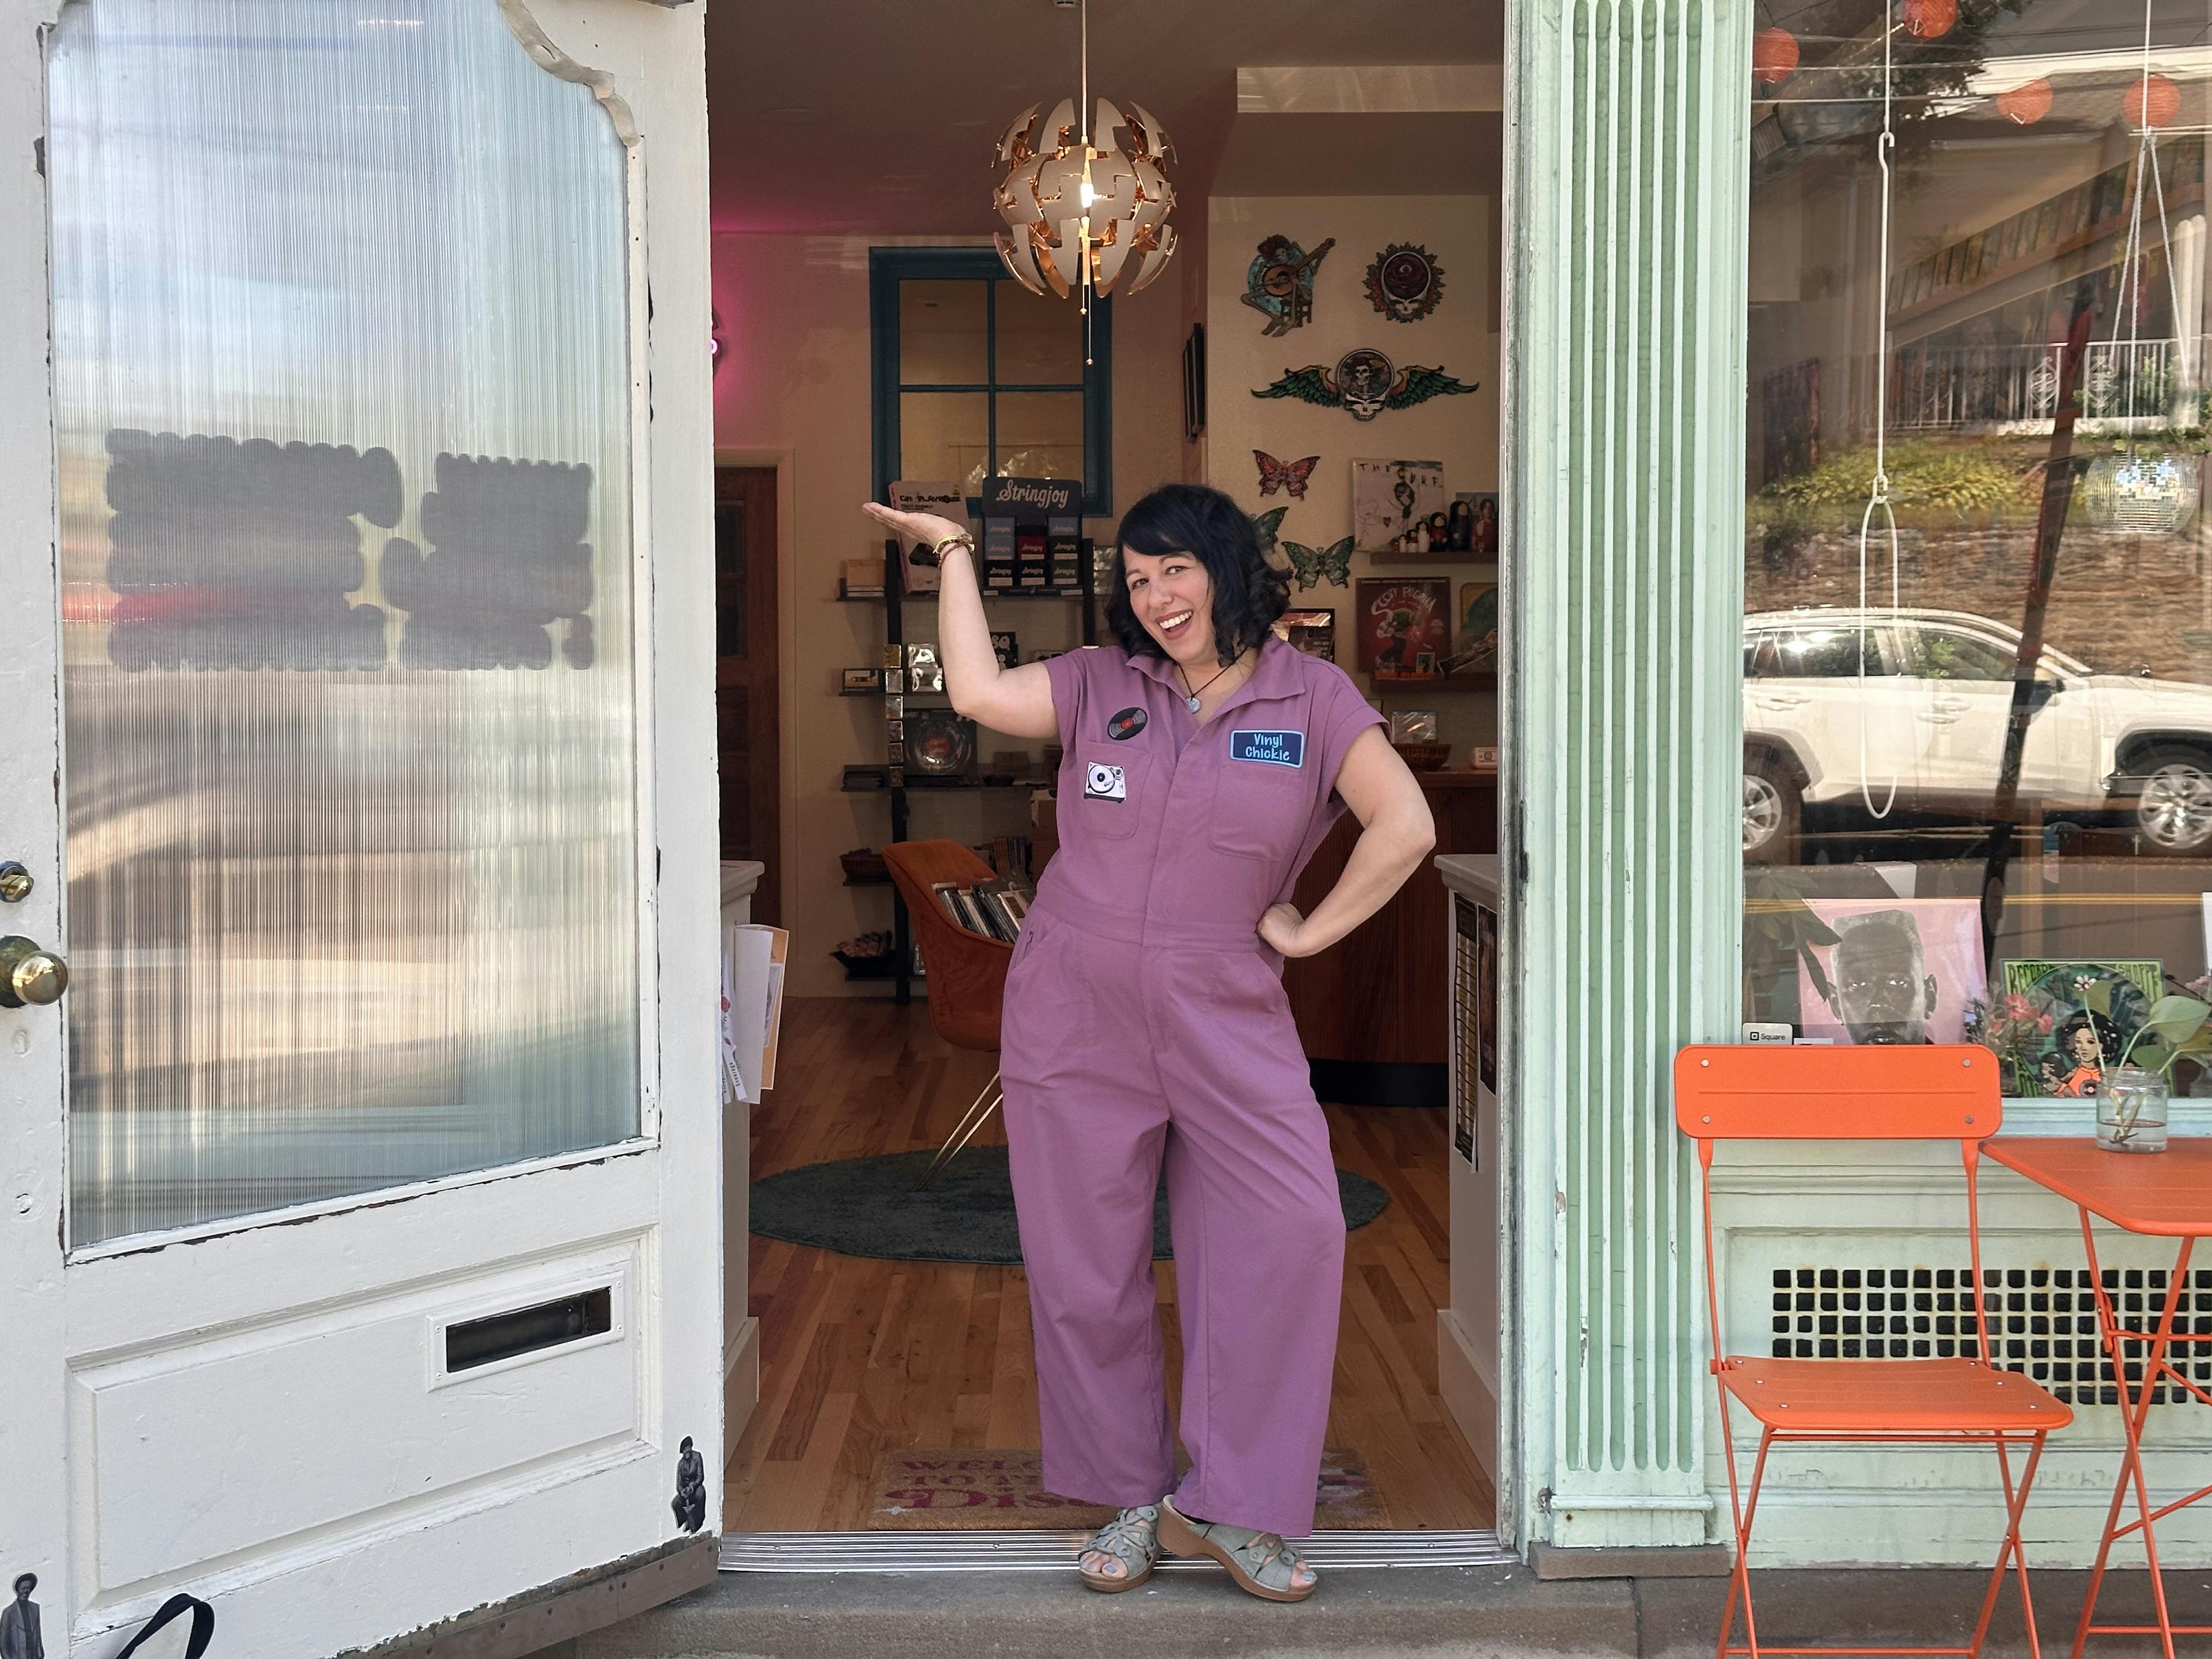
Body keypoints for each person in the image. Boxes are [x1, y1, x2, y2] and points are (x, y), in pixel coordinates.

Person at [861, 484, 1434, 1603]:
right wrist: (954, 553)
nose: (1157, 596)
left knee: (1294, 1233)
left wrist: (1311, 931)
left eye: (1176, 569)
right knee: (1087, 1266)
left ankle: (1230, 1503)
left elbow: (1405, 824)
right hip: (1075, 1012)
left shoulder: (1313, 699)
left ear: (1224, 565)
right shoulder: (1099, 687)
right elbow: (974, 690)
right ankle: (1130, 1492)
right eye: (1136, 578)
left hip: (1230, 1012)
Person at [1822, 910, 1940, 1044]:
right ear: (1836, 1005)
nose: (1878, 1003)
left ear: (1929, 997)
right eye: (1857, 985)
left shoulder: (1954, 1064)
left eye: (1897, 983)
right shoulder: (1824, 1065)